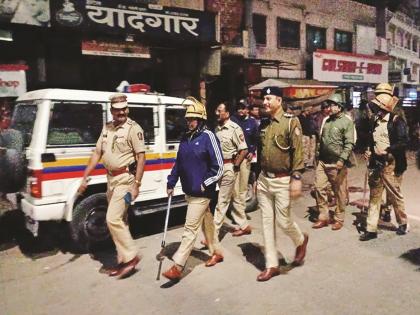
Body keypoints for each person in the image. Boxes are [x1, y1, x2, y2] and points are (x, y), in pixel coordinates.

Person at [78, 93, 146, 278]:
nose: (121, 112)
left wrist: (136, 185)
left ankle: (131, 256)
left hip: (126, 180)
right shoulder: (107, 128)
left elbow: (141, 158)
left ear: (128, 109)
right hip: (111, 181)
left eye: (124, 109)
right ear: (112, 111)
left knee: (112, 218)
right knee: (121, 220)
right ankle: (123, 260)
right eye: (117, 110)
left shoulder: (133, 129)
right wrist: (84, 177)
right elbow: (97, 152)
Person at [162, 97, 224, 281]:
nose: (189, 122)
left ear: (201, 120)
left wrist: (206, 182)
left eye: (192, 119)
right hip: (189, 190)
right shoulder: (185, 138)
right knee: (208, 224)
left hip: (203, 193)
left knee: (190, 228)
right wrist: (171, 182)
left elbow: (218, 166)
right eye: (187, 119)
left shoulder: (209, 137)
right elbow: (179, 163)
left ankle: (178, 265)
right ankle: (217, 252)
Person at [256, 86, 308, 282]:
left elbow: (298, 152)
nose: (265, 102)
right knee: (267, 223)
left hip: (283, 179)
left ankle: (300, 241)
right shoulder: (264, 124)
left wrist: (296, 178)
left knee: (284, 221)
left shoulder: (290, 122)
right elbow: (260, 154)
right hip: (264, 180)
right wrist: (256, 178)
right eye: (264, 99)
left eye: (269, 98)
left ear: (279, 100)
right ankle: (272, 265)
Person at [359, 93, 409, 241]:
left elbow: (403, 142)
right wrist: (368, 150)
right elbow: (371, 139)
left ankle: (403, 223)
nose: (375, 109)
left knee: (394, 194)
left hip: (389, 164)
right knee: (374, 197)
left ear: (385, 107)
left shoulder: (396, 121)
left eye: (377, 106)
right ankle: (371, 229)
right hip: (375, 164)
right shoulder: (374, 120)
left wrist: (387, 150)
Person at [312, 94, 355, 231]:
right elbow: (321, 139)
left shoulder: (346, 122)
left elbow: (350, 143)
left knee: (339, 192)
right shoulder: (327, 120)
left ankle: (339, 218)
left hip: (337, 163)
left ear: (339, 106)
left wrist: (342, 159)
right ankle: (323, 217)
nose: (330, 108)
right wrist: (317, 155)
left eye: (332, 105)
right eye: (329, 105)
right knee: (319, 188)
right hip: (323, 162)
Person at [212, 102, 249, 238]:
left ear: (226, 114)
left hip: (229, 167)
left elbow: (244, 149)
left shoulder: (235, 128)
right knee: (234, 197)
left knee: (222, 201)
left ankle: (213, 234)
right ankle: (244, 225)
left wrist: (235, 165)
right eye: (217, 110)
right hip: (220, 167)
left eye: (219, 110)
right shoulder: (217, 129)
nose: (216, 113)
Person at [230, 100, 259, 236]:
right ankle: (238, 216)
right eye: (239, 108)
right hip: (233, 158)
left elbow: (256, 139)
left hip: (245, 159)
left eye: (243, 108)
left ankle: (240, 216)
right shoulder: (233, 120)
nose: (241, 111)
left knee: (242, 189)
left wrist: (252, 151)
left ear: (248, 110)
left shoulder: (252, 123)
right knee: (233, 189)